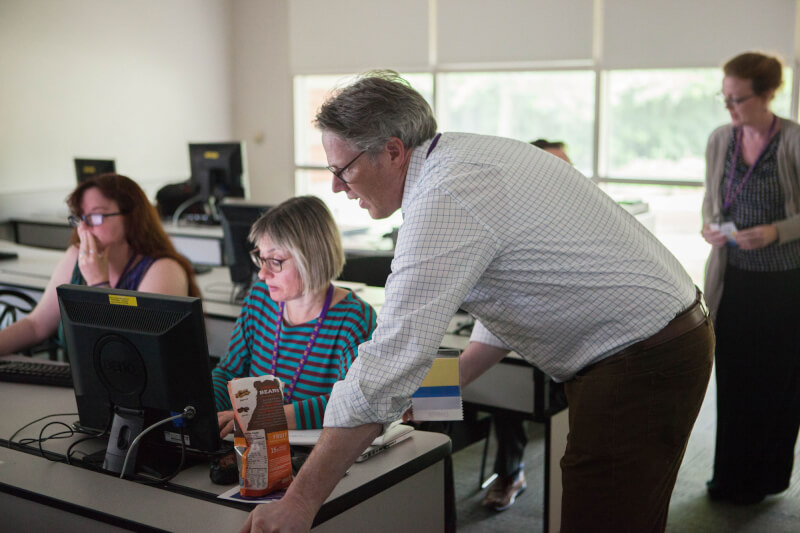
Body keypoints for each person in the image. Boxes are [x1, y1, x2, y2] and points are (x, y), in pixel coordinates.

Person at [241, 71, 714, 533]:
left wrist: (299, 503)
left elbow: (392, 360)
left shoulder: (445, 194)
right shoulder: (459, 161)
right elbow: (508, 288)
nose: (337, 187)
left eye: (343, 170)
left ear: (392, 151)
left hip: (641, 359)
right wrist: (460, 372)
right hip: (655, 346)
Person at [701, 51, 800, 505]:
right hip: (735, 280)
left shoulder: (794, 141)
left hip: (784, 285)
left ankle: (766, 479)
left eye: (737, 100)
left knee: (777, 384)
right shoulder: (722, 138)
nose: (730, 109)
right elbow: (712, 197)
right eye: (725, 98)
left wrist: (778, 232)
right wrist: (710, 226)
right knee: (735, 380)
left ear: (766, 95)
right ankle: (729, 477)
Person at [212, 195, 377, 435]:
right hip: (256, 447)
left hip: (318, 454)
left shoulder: (354, 318)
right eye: (261, 258)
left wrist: (261, 417)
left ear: (311, 259)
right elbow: (229, 372)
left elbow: (351, 402)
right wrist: (207, 411)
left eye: (275, 261)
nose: (262, 274)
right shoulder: (260, 298)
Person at [0, 173, 200, 356]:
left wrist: (98, 283)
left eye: (97, 216)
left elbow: (132, 354)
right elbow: (36, 326)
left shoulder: (163, 270)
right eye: (80, 218)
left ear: (131, 217)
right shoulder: (75, 257)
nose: (84, 227)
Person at [480, 138, 572, 512]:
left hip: (581, 357)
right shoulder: (507, 226)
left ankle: (516, 472)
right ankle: (510, 471)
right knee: (501, 385)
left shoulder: (580, 225)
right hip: (508, 344)